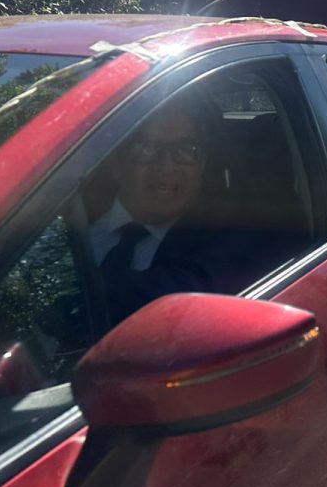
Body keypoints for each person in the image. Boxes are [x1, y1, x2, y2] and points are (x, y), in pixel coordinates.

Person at [88, 102, 248, 324]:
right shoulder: (61, 223)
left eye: (185, 150)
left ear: (202, 163)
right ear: (116, 163)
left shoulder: (225, 244)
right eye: (147, 148)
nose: (166, 167)